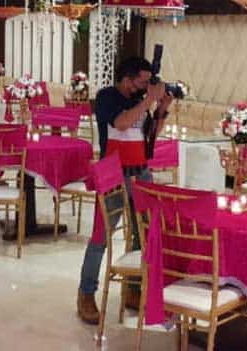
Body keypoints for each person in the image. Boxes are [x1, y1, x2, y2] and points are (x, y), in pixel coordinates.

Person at [77, 57, 174, 325]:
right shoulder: (107, 97)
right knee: (101, 236)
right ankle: (86, 293)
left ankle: (132, 288)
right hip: (113, 171)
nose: (145, 87)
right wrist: (147, 102)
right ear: (126, 79)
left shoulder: (142, 99)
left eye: (148, 83)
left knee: (142, 234)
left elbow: (150, 137)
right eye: (142, 82)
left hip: (141, 170)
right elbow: (120, 123)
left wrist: (162, 109)